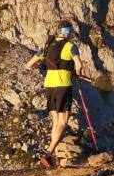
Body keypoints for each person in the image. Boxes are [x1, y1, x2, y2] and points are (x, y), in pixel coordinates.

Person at [24, 20, 86, 167]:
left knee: (55, 122)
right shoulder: (71, 46)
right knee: (63, 121)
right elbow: (79, 65)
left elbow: (28, 65)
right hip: (63, 85)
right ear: (66, 32)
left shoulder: (46, 46)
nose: (70, 35)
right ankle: (49, 153)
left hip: (49, 86)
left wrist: (44, 65)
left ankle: (53, 155)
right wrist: (77, 72)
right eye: (70, 32)